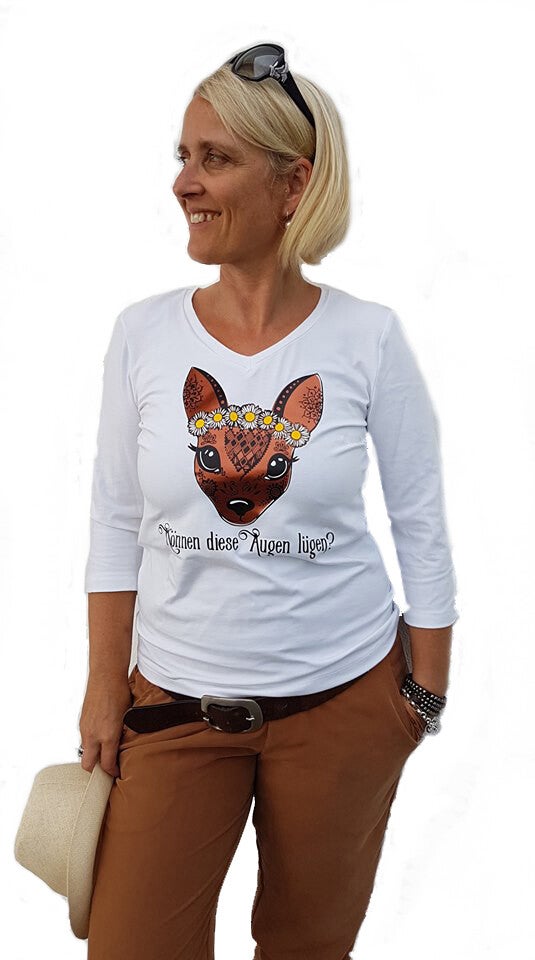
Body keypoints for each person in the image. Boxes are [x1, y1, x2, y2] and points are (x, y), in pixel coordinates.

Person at [80, 42, 459, 960]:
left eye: (214, 158)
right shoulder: (143, 335)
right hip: (173, 707)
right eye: (183, 156)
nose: (184, 182)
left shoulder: (366, 337)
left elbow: (418, 521)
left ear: (292, 184)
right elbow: (116, 520)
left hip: (345, 706)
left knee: (306, 948)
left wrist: (421, 695)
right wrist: (102, 688)